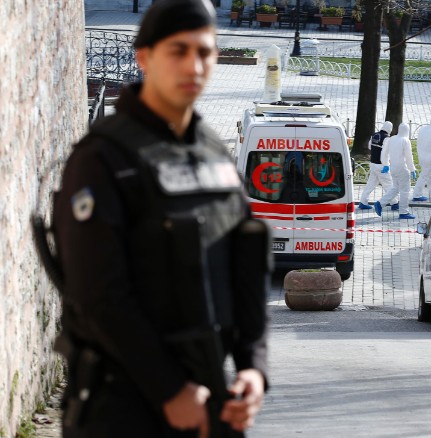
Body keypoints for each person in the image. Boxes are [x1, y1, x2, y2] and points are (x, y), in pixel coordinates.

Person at [51, 0, 270, 436]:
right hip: (125, 406)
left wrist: (253, 367)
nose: (194, 65)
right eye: (178, 50)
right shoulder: (101, 159)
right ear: (145, 57)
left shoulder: (214, 154)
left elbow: (246, 263)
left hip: (209, 396)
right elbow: (100, 297)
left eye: (204, 51)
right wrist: (169, 389)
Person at [375, 123, 417, 220]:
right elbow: (408, 157)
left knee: (395, 188)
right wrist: (412, 169)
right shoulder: (406, 141)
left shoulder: (391, 139)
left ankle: (380, 203)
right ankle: (404, 212)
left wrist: (385, 164)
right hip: (402, 168)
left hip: (393, 168)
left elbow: (384, 153)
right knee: (405, 191)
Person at [358, 121, 398, 211]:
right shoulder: (387, 138)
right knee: (388, 184)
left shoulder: (374, 135)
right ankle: (394, 203)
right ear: (389, 129)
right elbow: (386, 153)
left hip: (373, 164)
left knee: (371, 184)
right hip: (382, 165)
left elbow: (369, 147)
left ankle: (363, 202)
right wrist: (386, 164)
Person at [412, 115, 431, 202]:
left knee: (430, 174)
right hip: (429, 156)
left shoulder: (423, 129)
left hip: (421, 155)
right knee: (424, 175)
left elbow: (418, 143)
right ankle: (416, 194)